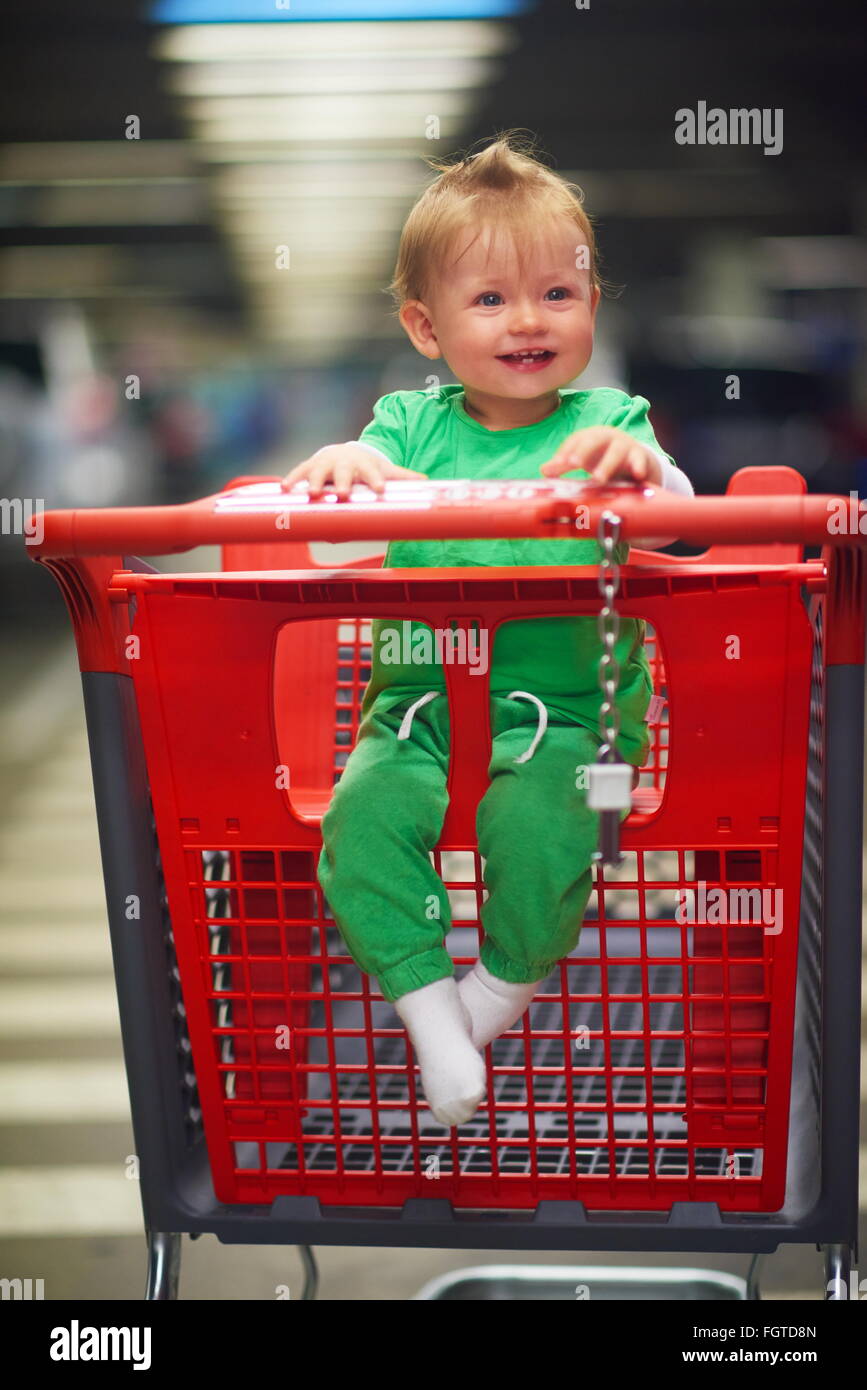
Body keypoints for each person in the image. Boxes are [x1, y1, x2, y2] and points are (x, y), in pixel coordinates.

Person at [281, 132, 694, 1127]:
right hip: (414, 710)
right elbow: (331, 553)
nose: (528, 321)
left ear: (592, 306)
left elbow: (681, 518)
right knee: (362, 819)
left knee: (546, 825)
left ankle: (497, 992)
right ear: (425, 327)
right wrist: (344, 476)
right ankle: (431, 1014)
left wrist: (643, 476)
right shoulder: (404, 426)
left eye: (558, 294)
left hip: (565, 716)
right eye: (491, 299)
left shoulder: (610, 418)